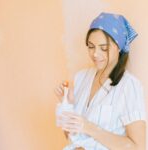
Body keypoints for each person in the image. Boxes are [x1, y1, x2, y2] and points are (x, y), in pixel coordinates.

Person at [54, 12, 147, 150]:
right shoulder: (81, 78)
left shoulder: (129, 86)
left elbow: (138, 147)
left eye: (104, 48)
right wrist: (67, 104)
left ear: (118, 47)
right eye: (91, 47)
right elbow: (71, 136)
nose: (95, 54)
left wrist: (90, 128)